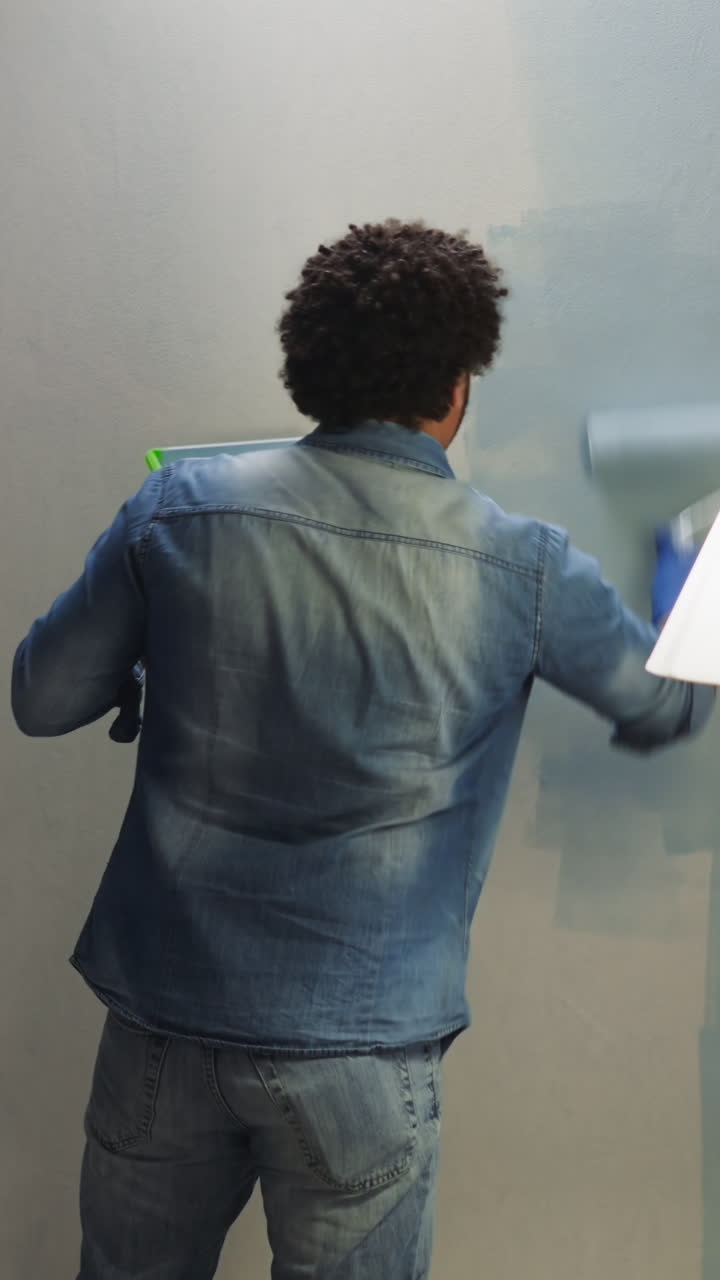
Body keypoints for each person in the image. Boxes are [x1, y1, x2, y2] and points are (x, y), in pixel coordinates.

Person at [11, 219, 713, 1280]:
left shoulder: (182, 509)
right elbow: (663, 706)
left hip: (163, 1024)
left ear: (311, 368)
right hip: (363, 1053)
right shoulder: (523, 565)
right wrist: (687, 560)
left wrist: (149, 660)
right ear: (458, 384)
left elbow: (40, 696)